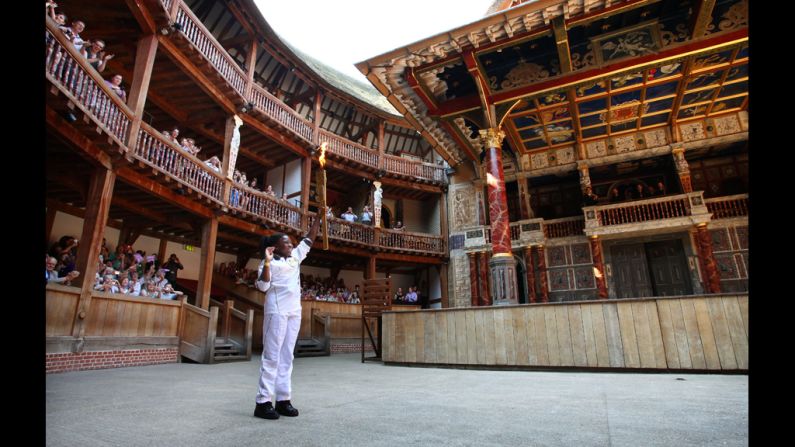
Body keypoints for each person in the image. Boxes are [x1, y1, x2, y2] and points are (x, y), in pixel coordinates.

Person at [253, 214, 321, 420]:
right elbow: (263, 286)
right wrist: (266, 261)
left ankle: (283, 400)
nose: (290, 246)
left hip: (294, 311)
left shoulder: (295, 258)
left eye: (291, 243)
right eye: (286, 244)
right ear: (275, 247)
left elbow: (309, 238)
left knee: (287, 357)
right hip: (276, 312)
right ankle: (263, 402)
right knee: (272, 357)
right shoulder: (268, 263)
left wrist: (319, 218)